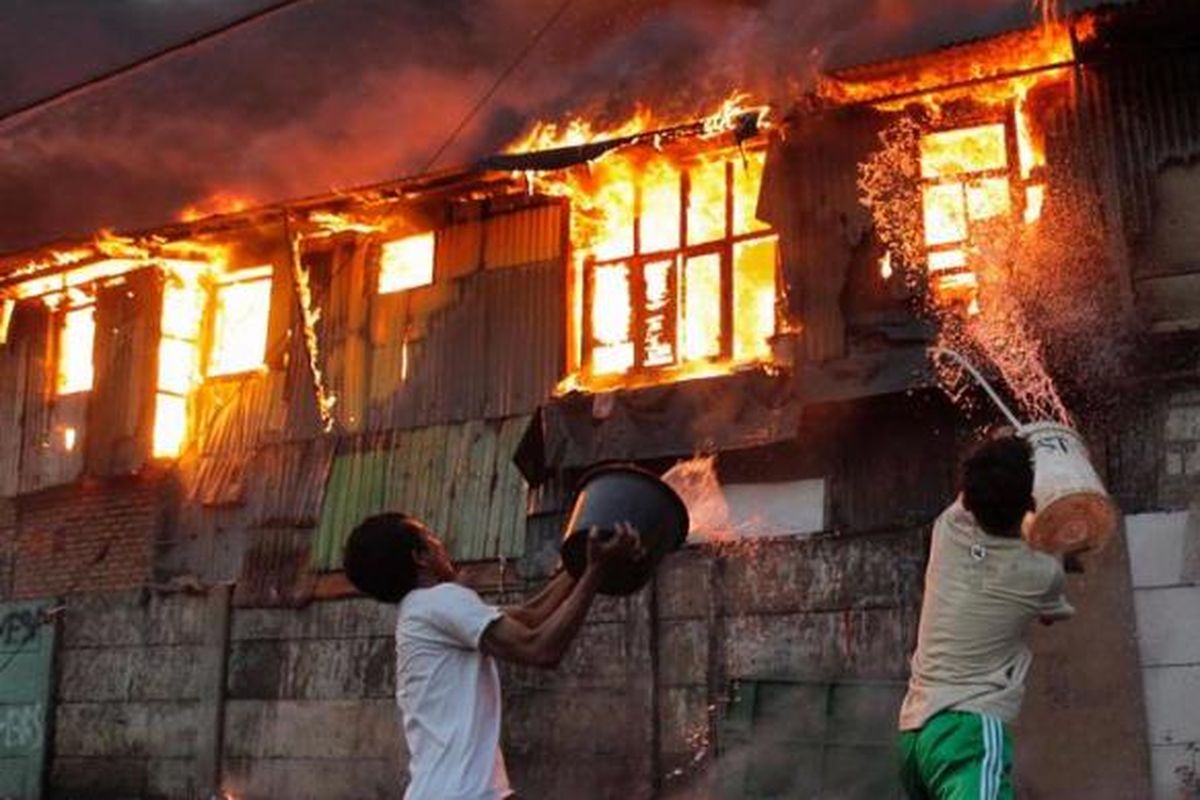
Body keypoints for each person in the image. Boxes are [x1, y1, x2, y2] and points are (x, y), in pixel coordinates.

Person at [343, 512, 644, 800]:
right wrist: (596, 572)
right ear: (420, 557)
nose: (441, 543)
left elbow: (531, 615)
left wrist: (580, 566)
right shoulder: (440, 601)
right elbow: (540, 648)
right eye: (431, 537)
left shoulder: (420, 612)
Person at [898, 433, 1075, 800]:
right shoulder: (1043, 574)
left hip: (916, 732)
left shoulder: (948, 528)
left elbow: (980, 488)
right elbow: (1049, 614)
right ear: (1028, 504)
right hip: (967, 731)